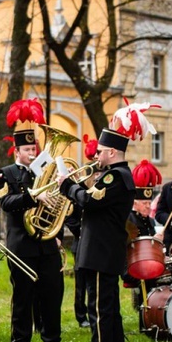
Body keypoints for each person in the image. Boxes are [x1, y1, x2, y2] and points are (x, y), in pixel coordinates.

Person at [58, 101, 157, 342]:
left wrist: (67, 185)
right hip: (102, 253)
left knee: (100, 312)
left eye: (100, 151)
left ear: (112, 152)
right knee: (109, 312)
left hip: (101, 254)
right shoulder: (116, 176)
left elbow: (89, 200)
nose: (96, 155)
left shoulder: (116, 176)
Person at [0, 98, 64, 342]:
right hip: (21, 244)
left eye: (34, 149)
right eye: (27, 150)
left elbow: (58, 201)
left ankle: (52, 341)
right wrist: (33, 197)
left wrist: (56, 229)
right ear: (17, 151)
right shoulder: (6, 173)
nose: (32, 153)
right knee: (23, 296)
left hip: (46, 243)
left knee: (52, 294)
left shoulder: (44, 170)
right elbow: (5, 202)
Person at [122, 160, 163, 328]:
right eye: (145, 204)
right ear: (135, 204)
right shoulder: (129, 221)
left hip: (147, 262)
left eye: (149, 203)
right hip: (131, 266)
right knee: (152, 275)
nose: (148, 207)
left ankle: (157, 315)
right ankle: (148, 319)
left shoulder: (150, 221)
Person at [65, 134, 100, 329]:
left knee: (93, 285)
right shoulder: (78, 192)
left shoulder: (98, 192)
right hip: (80, 243)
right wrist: (82, 231)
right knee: (80, 285)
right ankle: (81, 315)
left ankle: (93, 313)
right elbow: (70, 218)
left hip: (96, 244)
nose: (94, 179)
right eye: (92, 176)